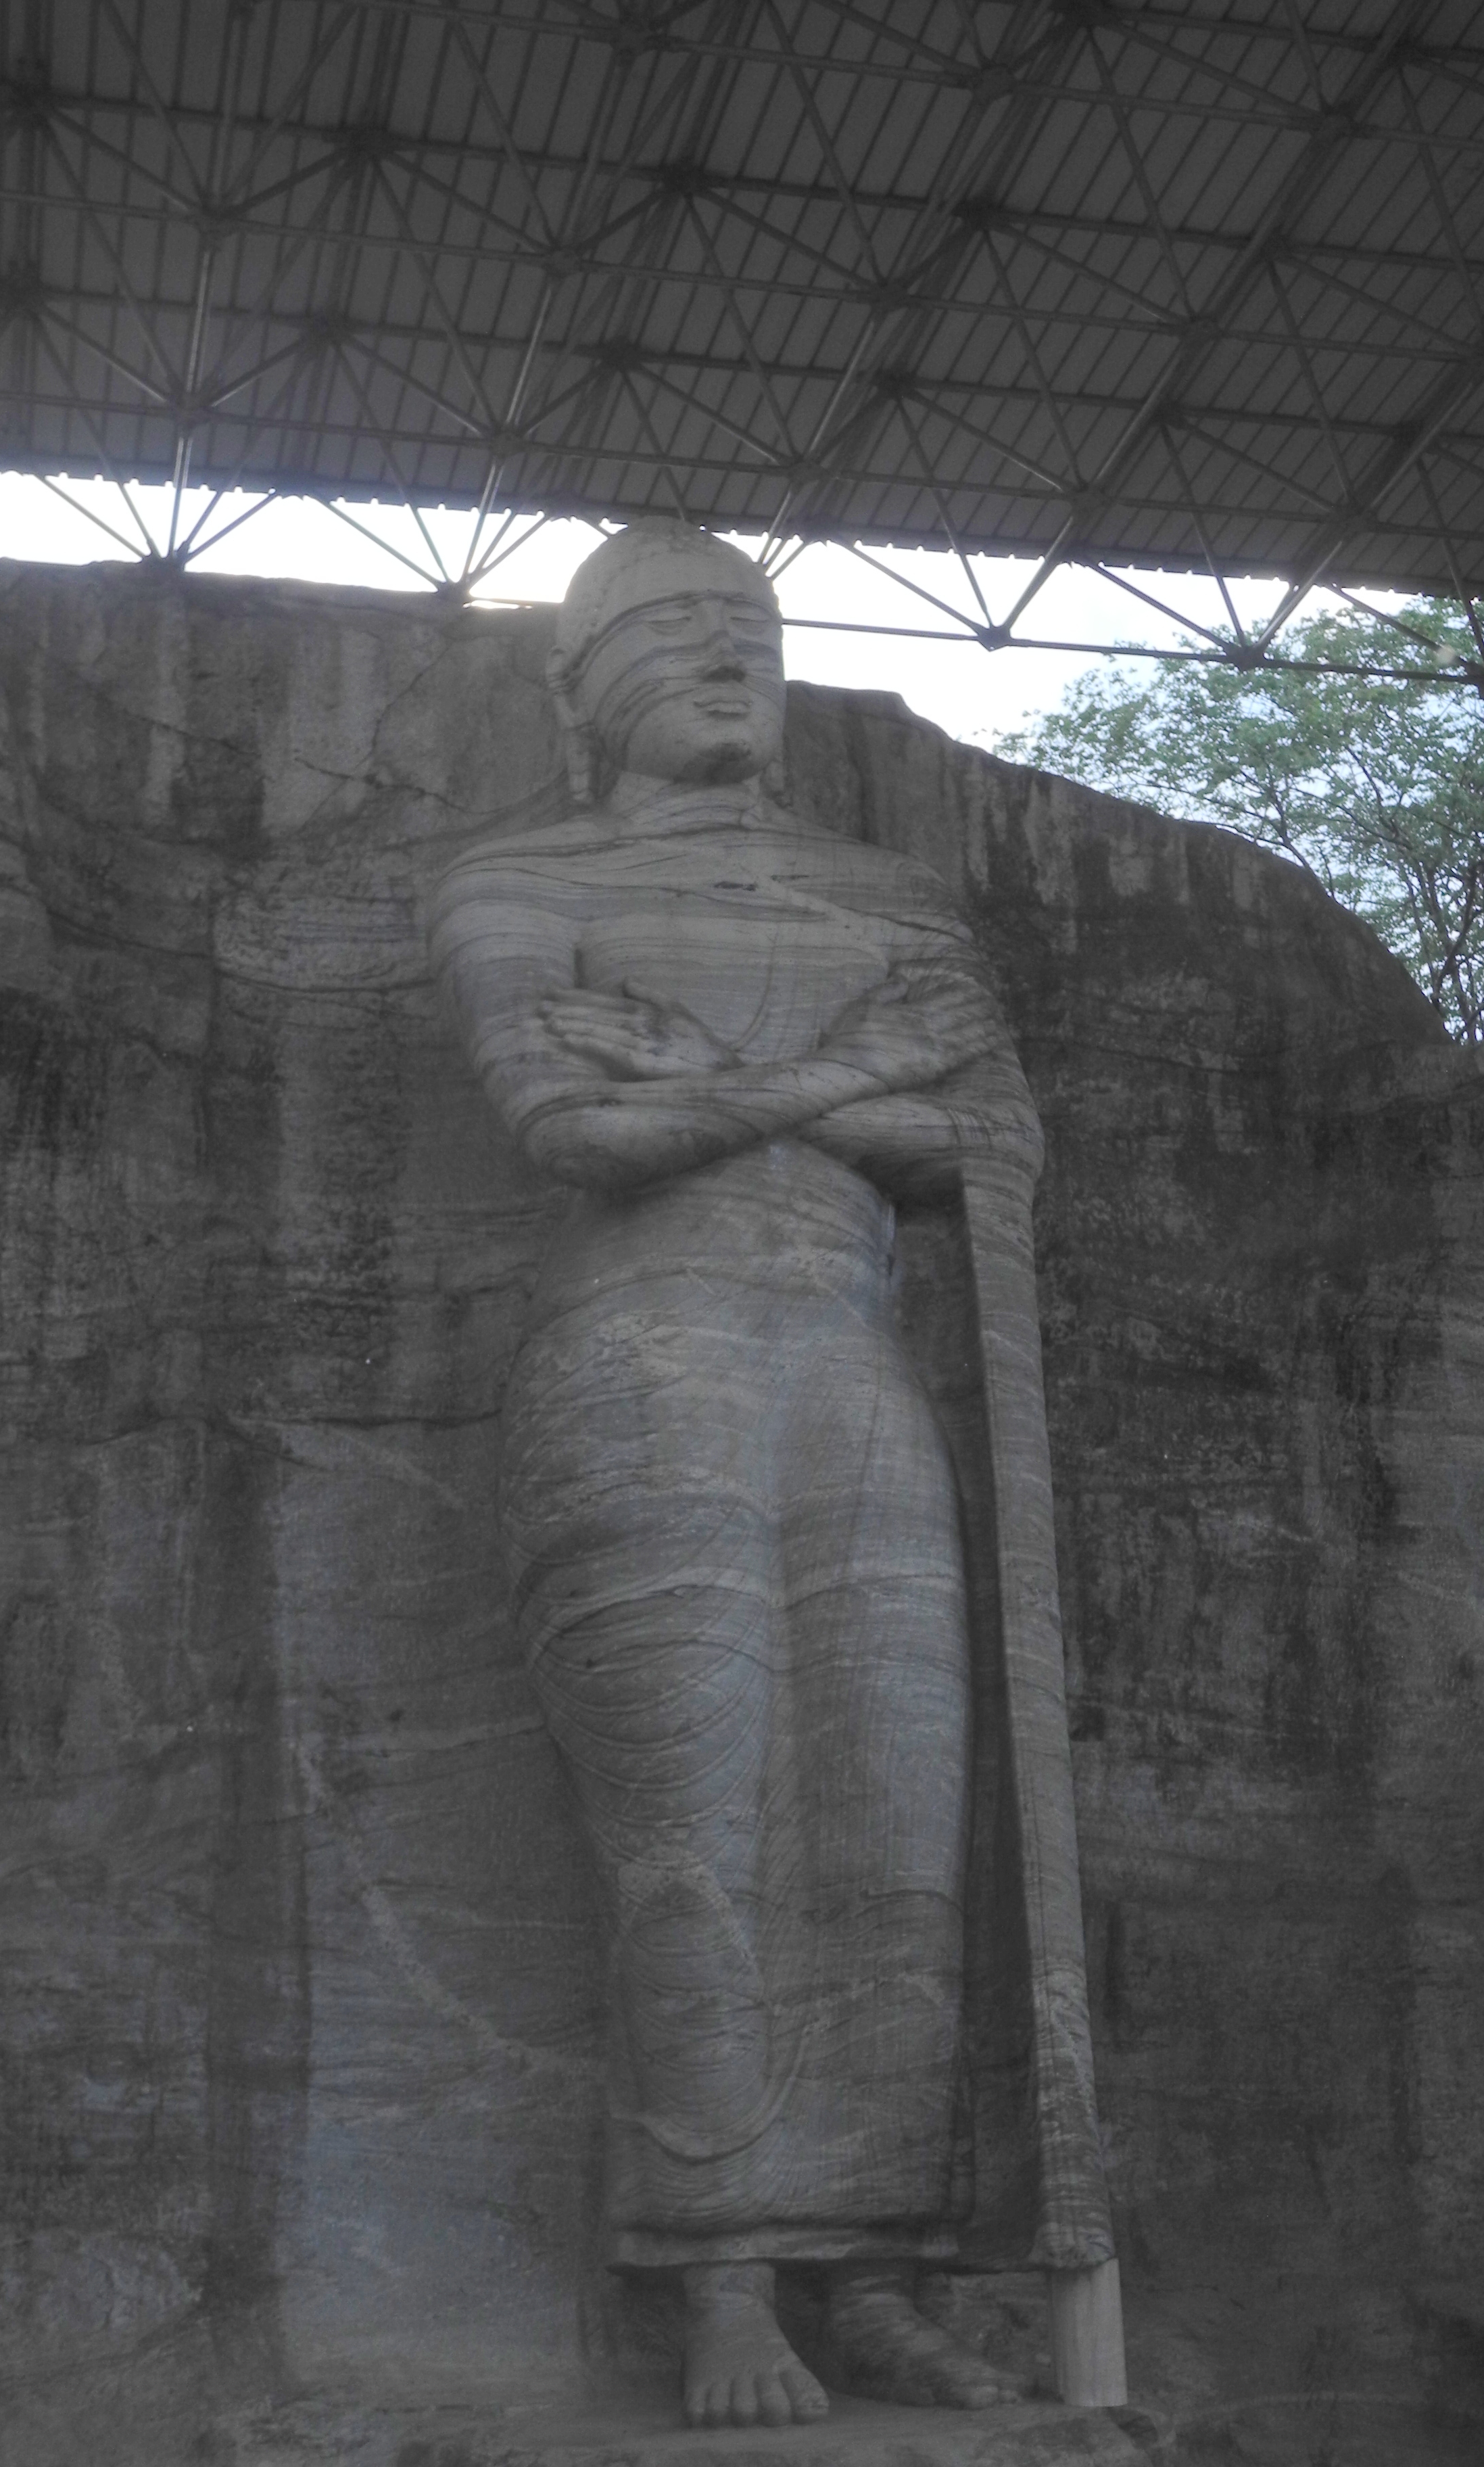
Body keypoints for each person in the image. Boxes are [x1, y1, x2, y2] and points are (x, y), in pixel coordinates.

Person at [428, 521, 1047, 2429]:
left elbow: (994, 1151)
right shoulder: (518, 880)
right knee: (692, 1815)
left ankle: (874, 2273)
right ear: (579, 686)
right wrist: (850, 1075)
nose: (730, 657)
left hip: (851, 1363)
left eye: (754, 629)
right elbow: (570, 1130)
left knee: (893, 1819)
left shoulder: (891, 894)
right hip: (641, 1363)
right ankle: (721, 2280)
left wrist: (696, 1077)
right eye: (678, 628)